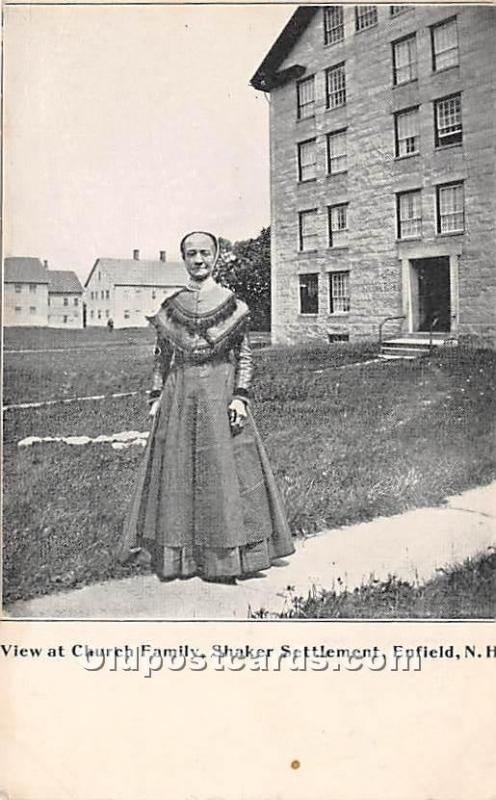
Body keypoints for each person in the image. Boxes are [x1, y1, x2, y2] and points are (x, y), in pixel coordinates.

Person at [117, 230, 294, 584]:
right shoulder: (171, 307)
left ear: (216, 256)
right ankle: (181, 557)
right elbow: (161, 358)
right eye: (191, 254)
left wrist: (240, 397)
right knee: (178, 473)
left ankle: (228, 557)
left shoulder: (231, 303)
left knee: (225, 472)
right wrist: (156, 397)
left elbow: (244, 356)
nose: (198, 260)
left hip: (220, 392)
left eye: (205, 253)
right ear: (184, 259)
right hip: (180, 394)